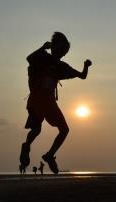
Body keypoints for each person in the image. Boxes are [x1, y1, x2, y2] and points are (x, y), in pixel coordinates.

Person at [20, 32, 92, 174]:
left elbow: (82, 76)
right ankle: (26, 146)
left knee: (64, 130)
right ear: (53, 47)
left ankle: (49, 155)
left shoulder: (61, 66)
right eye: (61, 49)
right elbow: (29, 58)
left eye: (65, 52)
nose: (62, 54)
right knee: (36, 130)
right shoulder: (42, 58)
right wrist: (42, 48)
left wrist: (86, 66)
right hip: (36, 99)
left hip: (50, 103)